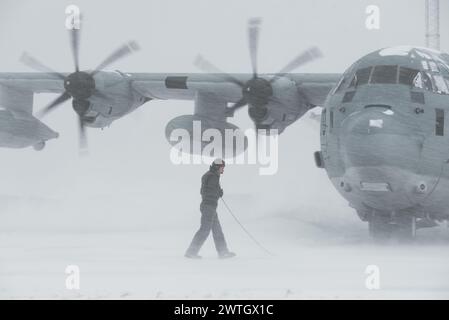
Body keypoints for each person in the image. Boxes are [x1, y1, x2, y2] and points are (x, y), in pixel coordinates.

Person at [185, 159, 236, 259]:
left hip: (210, 207)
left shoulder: (210, 175)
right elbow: (209, 192)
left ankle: (223, 252)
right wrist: (219, 193)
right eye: (222, 167)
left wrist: (218, 192)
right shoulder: (212, 177)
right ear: (217, 167)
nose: (223, 170)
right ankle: (191, 252)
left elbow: (205, 190)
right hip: (209, 207)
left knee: (217, 230)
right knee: (204, 230)